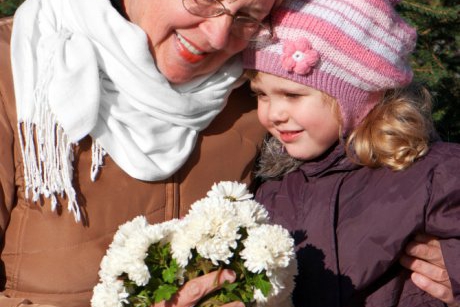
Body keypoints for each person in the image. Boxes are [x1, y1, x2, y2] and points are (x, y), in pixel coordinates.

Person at [0, 0, 452, 306]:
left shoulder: (245, 90)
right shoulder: (21, 71)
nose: (218, 36)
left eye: (247, 14)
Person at [242, 0, 460, 306]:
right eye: (261, 95)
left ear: (357, 96)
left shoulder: (433, 175)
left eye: (293, 95)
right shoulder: (273, 187)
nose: (273, 113)